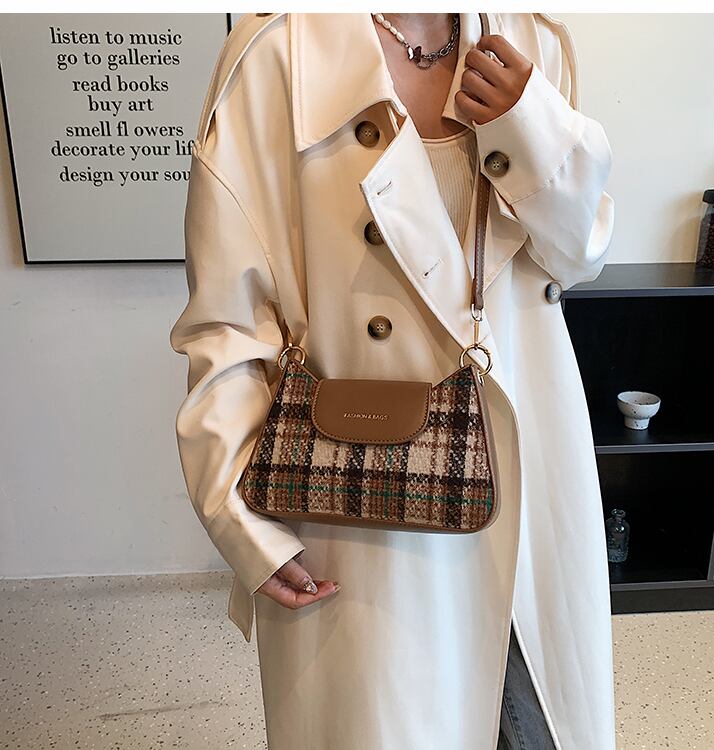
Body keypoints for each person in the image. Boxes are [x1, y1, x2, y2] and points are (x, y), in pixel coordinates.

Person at [170, 12, 616, 749]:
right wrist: (238, 519)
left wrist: (527, 124)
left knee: (538, 724)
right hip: (362, 498)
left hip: (528, 466)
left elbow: (579, 257)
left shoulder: (533, 38)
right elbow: (227, 322)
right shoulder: (276, 55)